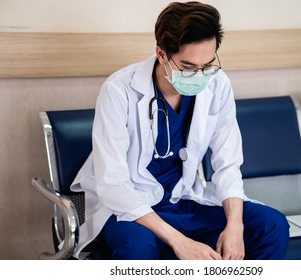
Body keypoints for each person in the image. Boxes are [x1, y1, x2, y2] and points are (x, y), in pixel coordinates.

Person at [71, 1, 289, 260]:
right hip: (130, 208)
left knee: (272, 225)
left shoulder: (217, 84)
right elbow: (113, 185)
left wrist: (235, 226)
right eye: (187, 67)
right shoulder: (119, 90)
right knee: (137, 248)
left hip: (183, 200)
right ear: (162, 54)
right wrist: (179, 241)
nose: (200, 75)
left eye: (207, 65)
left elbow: (228, 164)